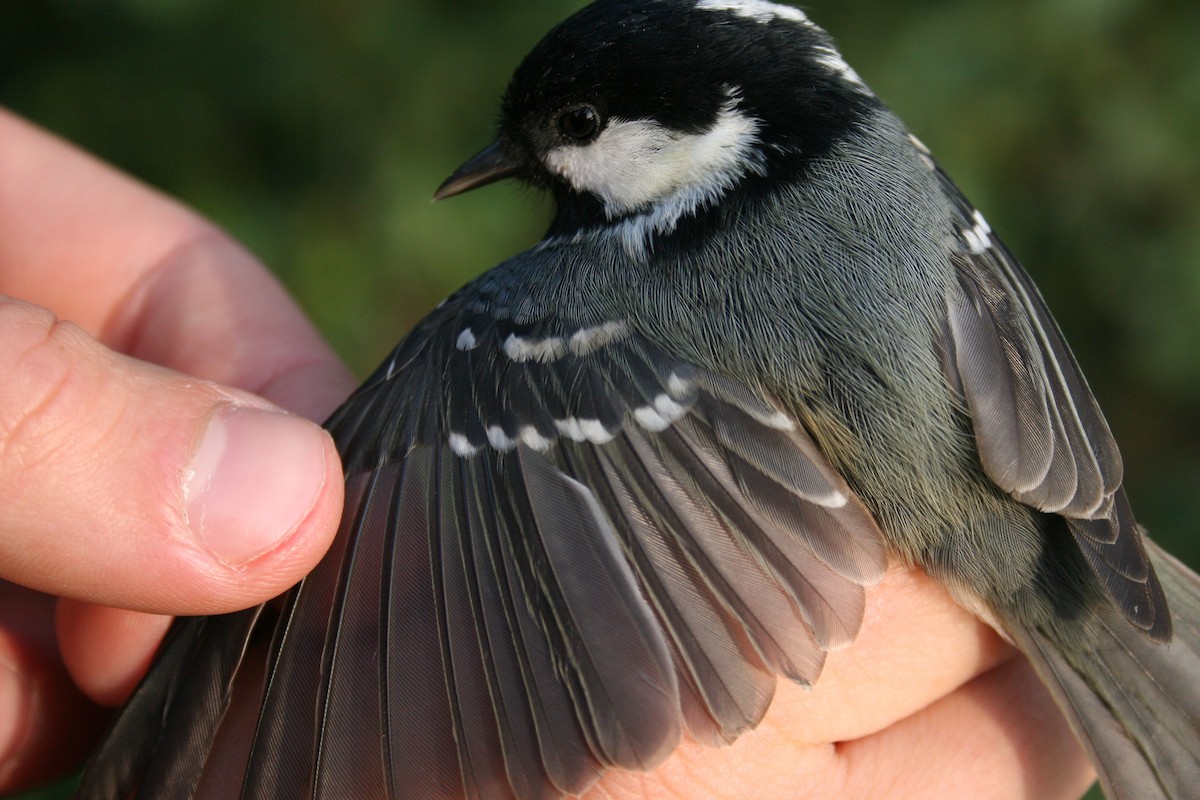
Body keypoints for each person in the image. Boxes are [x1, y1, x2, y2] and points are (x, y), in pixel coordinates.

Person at [0, 108, 1096, 799]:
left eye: (571, 124)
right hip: (1030, 485)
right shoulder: (893, 168)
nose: (530, 160)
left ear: (704, 119)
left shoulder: (528, 321)